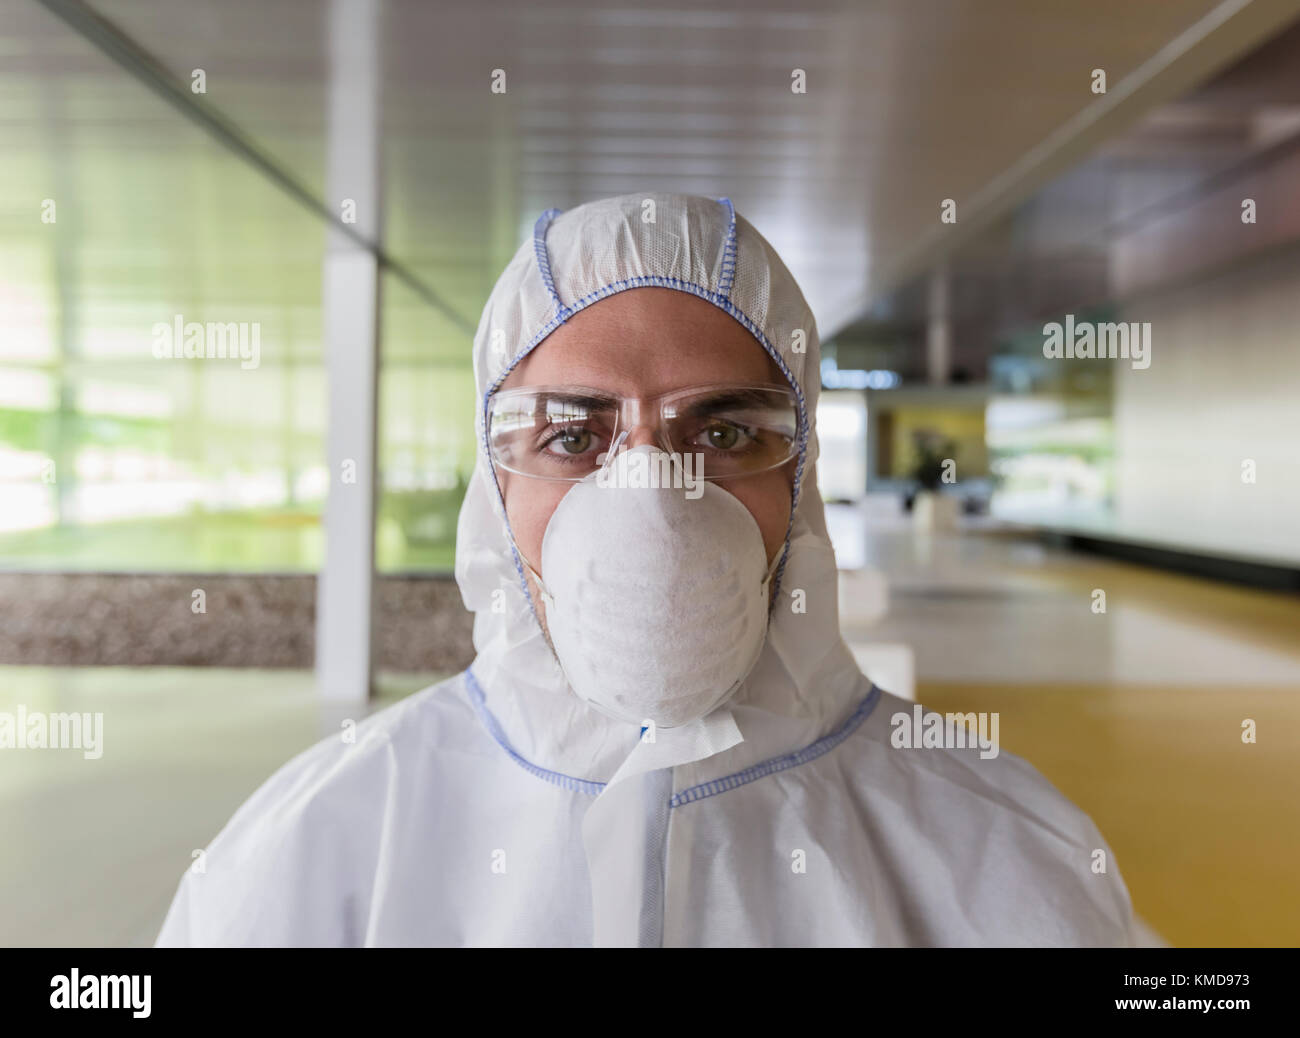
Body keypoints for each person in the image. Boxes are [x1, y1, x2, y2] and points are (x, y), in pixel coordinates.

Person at [155, 192, 1134, 947]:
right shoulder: (321, 842)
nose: (655, 505)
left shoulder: (999, 846)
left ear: (802, 473)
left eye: (723, 431)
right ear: (494, 486)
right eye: (574, 435)